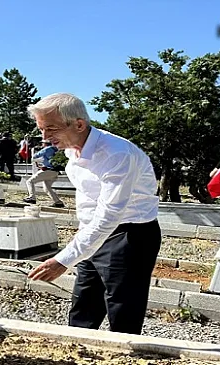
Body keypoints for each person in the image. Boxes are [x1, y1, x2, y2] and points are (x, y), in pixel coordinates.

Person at [27, 93, 161, 335]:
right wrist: (81, 235)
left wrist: (63, 260)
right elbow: (90, 200)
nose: (45, 138)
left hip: (129, 234)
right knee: (84, 301)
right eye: (41, 130)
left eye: (51, 129)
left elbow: (110, 213)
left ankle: (124, 360)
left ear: (79, 124)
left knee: (123, 308)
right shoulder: (72, 150)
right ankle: (79, 352)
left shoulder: (116, 153)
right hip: (94, 232)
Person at [23, 140, 64, 207]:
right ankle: (58, 202)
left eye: (42, 143)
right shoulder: (57, 149)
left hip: (48, 170)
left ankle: (32, 197)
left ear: (45, 143)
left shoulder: (47, 148)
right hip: (55, 171)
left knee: (30, 181)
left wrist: (34, 151)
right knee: (47, 188)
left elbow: (36, 156)